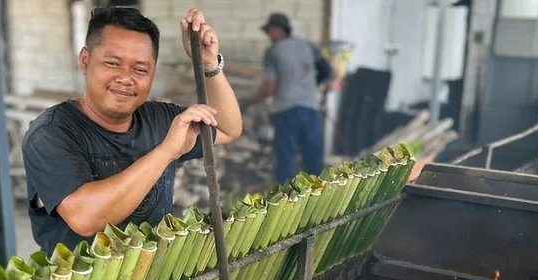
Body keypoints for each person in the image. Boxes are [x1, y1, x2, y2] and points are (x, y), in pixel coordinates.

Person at [22, 7, 242, 254]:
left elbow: (228, 128)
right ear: (85, 61)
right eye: (112, 63)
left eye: (139, 69)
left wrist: (209, 65)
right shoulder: (52, 132)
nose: (125, 78)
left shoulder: (160, 119)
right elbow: (85, 218)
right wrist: (166, 151)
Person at [246, 12, 324, 184]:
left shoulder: (273, 51)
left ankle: (285, 200)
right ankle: (319, 197)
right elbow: (326, 70)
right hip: (311, 109)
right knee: (313, 158)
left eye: (269, 32)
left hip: (287, 111)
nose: (269, 36)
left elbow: (270, 86)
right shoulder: (307, 46)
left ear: (277, 30)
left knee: (285, 159)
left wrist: (249, 101)